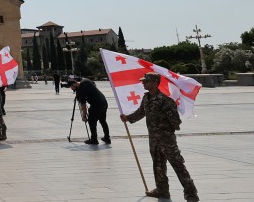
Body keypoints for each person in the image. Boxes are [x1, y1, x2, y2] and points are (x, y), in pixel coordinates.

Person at [121, 73, 199, 201]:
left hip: (166, 139)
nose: (143, 83)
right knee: (158, 165)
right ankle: (162, 190)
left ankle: (191, 194)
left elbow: (175, 121)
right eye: (143, 81)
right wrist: (127, 118)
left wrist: (166, 131)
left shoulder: (165, 100)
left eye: (146, 81)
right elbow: (141, 113)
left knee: (178, 165)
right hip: (154, 139)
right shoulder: (146, 98)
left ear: (155, 83)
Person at [69, 78, 110, 145]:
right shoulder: (86, 81)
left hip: (96, 105)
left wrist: (84, 115)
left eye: (72, 87)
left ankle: (94, 140)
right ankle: (107, 138)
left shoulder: (81, 91)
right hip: (104, 102)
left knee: (91, 121)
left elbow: (83, 105)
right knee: (103, 121)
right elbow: (93, 84)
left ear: (74, 84)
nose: (72, 89)